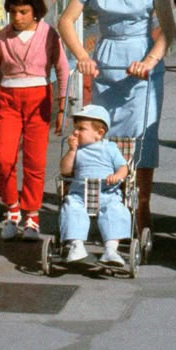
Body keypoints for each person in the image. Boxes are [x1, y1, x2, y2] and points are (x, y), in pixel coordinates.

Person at [58, 0, 175, 234]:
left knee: (144, 138)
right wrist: (82, 57)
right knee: (102, 135)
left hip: (143, 68)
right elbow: (66, 22)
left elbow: (168, 29)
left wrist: (150, 60)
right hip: (107, 64)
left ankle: (142, 204)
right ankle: (110, 201)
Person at [0, 0, 70, 241]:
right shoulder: (2, 37)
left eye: (23, 12)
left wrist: (62, 108)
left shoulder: (49, 34)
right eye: (13, 12)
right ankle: (12, 209)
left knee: (35, 161)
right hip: (8, 98)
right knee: (4, 158)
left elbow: (62, 70)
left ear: (35, 11)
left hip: (39, 99)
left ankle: (32, 215)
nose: (17, 18)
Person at [59, 104, 130, 267]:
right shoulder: (76, 150)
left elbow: (123, 166)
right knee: (71, 207)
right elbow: (65, 170)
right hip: (80, 194)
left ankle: (111, 249)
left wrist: (117, 175)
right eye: (75, 128)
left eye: (81, 129)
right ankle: (77, 245)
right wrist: (71, 151)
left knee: (115, 211)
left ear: (99, 134)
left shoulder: (110, 148)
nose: (75, 132)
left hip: (107, 193)